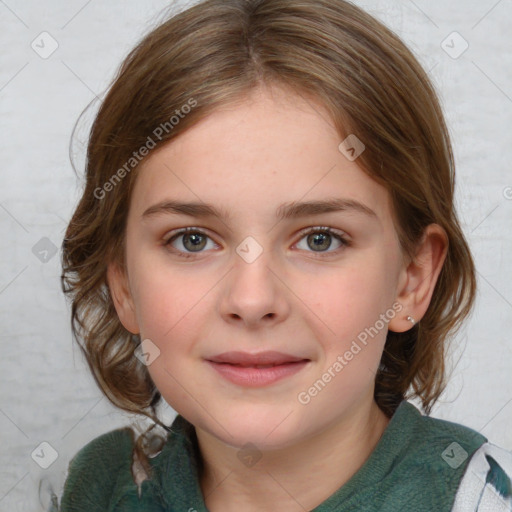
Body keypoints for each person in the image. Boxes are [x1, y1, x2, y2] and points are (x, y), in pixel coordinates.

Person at [56, 0, 512, 510]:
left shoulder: (478, 498)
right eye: (192, 240)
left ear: (412, 278)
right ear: (122, 283)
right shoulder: (101, 491)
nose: (252, 301)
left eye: (320, 239)